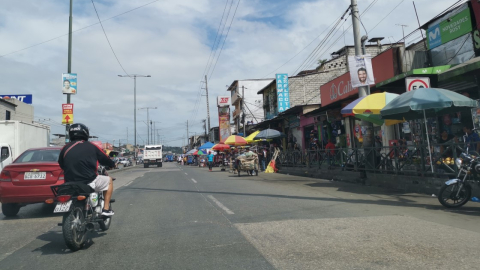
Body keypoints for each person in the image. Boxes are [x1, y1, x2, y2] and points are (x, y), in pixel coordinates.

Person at [58, 123, 115, 216]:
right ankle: (106, 208)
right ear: (85, 133)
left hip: (69, 182)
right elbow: (105, 159)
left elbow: (61, 164)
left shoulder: (65, 148)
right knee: (109, 181)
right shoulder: (92, 146)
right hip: (88, 181)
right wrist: (112, 164)